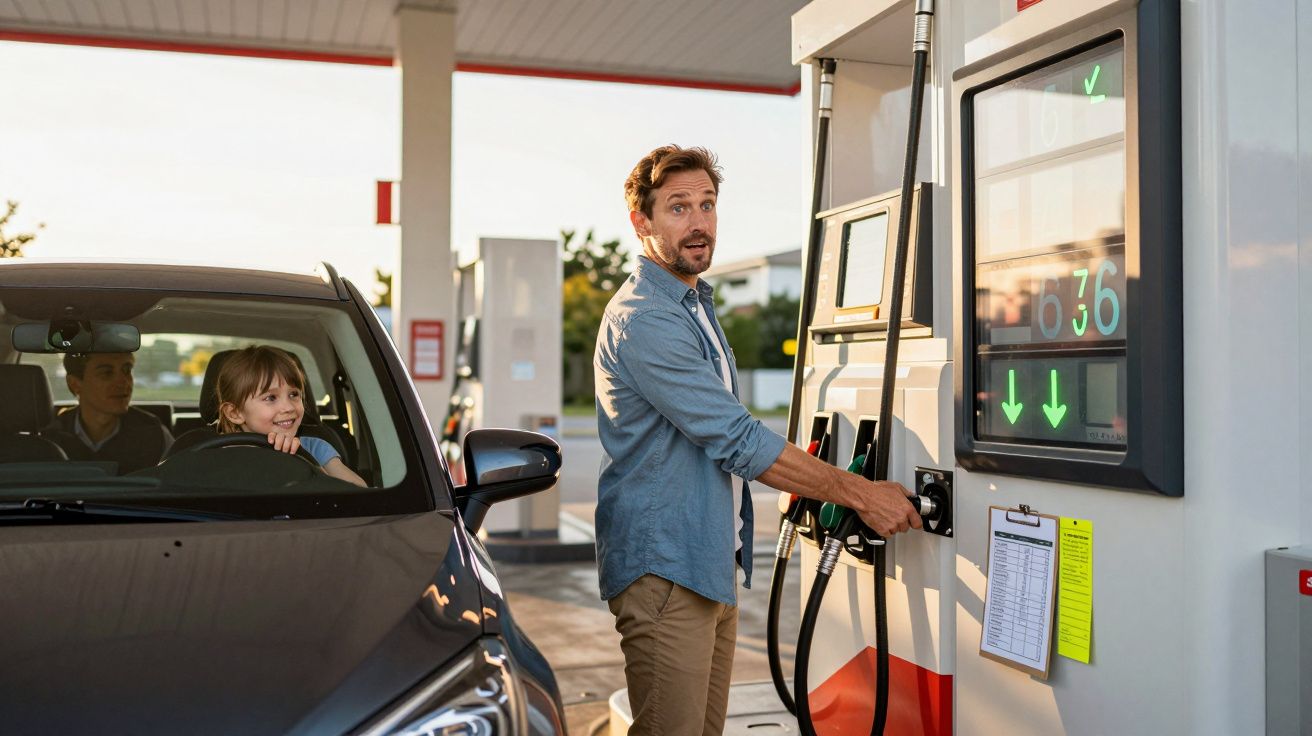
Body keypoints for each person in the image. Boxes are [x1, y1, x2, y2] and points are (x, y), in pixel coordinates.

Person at [594, 145, 922, 735]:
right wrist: (860, 494)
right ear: (641, 223)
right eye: (677, 208)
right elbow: (738, 441)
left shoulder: (693, 304)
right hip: (667, 569)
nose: (698, 223)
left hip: (706, 561)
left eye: (707, 205)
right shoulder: (646, 317)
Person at [214, 345, 366, 487]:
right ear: (235, 413)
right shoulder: (220, 455)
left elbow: (361, 493)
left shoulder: (315, 448)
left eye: (294, 394)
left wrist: (308, 466)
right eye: (270, 398)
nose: (288, 407)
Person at [48, 352, 173, 474]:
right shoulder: (50, 438)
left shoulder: (153, 434)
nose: (123, 382)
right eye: (107, 373)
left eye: (127, 370)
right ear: (75, 384)